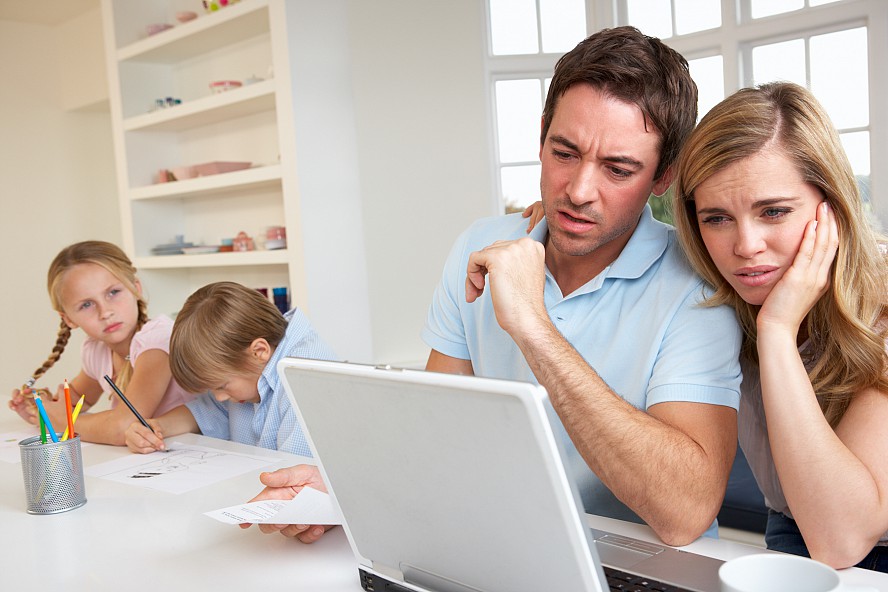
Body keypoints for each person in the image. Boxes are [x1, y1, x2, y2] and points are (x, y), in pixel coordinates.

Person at [241, 26, 744, 547]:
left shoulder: (698, 284)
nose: (577, 191)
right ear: (543, 131)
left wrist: (534, 328)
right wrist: (344, 488)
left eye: (618, 169)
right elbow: (437, 434)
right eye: (564, 152)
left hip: (633, 558)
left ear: (663, 177)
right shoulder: (478, 244)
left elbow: (685, 513)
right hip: (497, 537)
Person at [672, 81, 888, 571]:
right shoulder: (711, 295)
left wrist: (776, 332)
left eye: (774, 211)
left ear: (830, 203)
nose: (746, 246)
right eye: (717, 218)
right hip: (789, 530)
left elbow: (842, 538)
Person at [8, 240, 198, 445]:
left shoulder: (157, 341)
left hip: (198, 453)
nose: (105, 312)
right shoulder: (96, 350)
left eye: (113, 292)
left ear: (136, 288)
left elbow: (122, 427)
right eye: (87, 304)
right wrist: (40, 410)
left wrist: (63, 422)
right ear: (68, 319)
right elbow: (76, 399)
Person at [124, 281, 338, 457]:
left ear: (259, 351)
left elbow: (293, 474)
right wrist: (157, 428)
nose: (219, 397)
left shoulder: (307, 379)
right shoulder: (247, 370)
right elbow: (206, 411)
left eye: (222, 386)